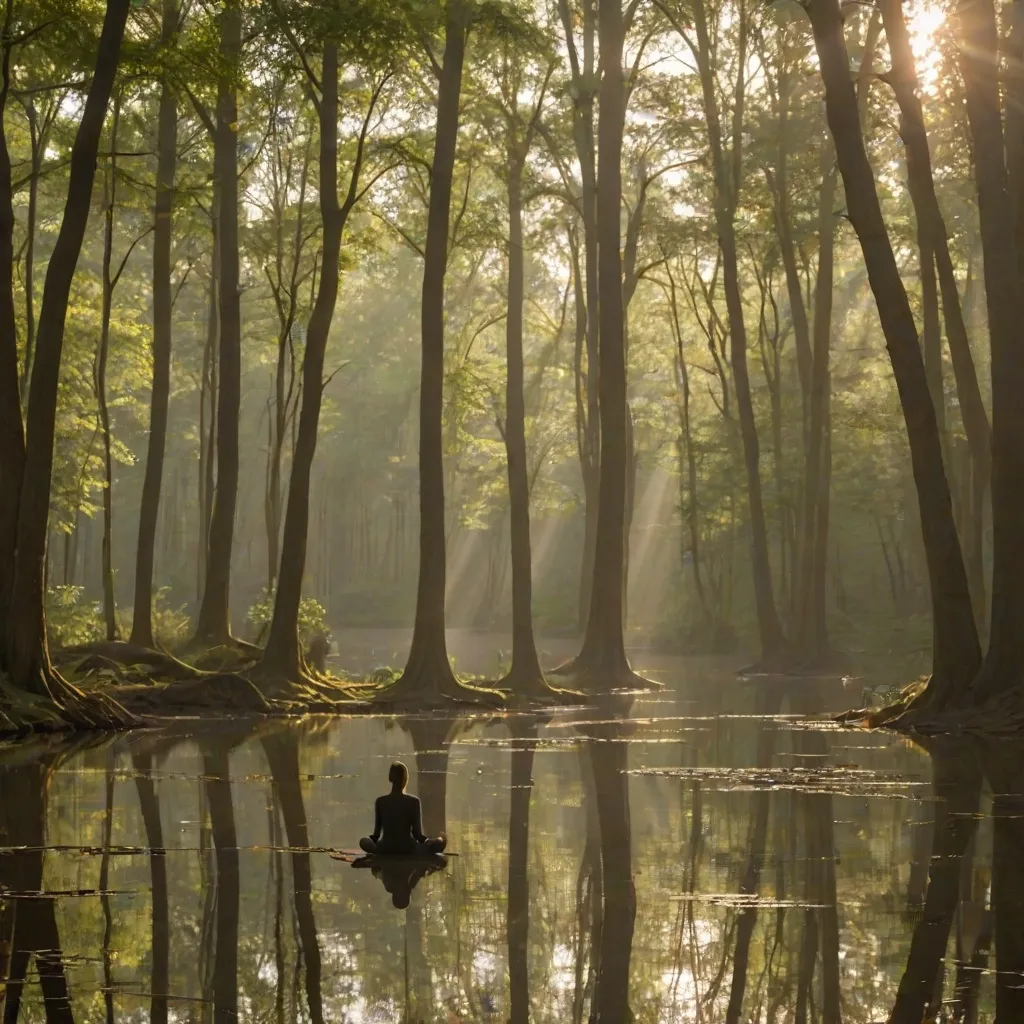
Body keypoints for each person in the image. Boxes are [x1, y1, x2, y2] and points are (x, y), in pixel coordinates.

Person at [359, 761, 447, 856]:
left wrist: (371, 843)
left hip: (385, 848)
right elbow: (417, 834)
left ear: (390, 778)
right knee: (439, 841)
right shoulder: (413, 802)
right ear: (405, 779)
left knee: (363, 841)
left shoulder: (380, 801)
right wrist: (428, 841)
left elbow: (376, 835)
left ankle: (377, 849)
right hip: (408, 848)